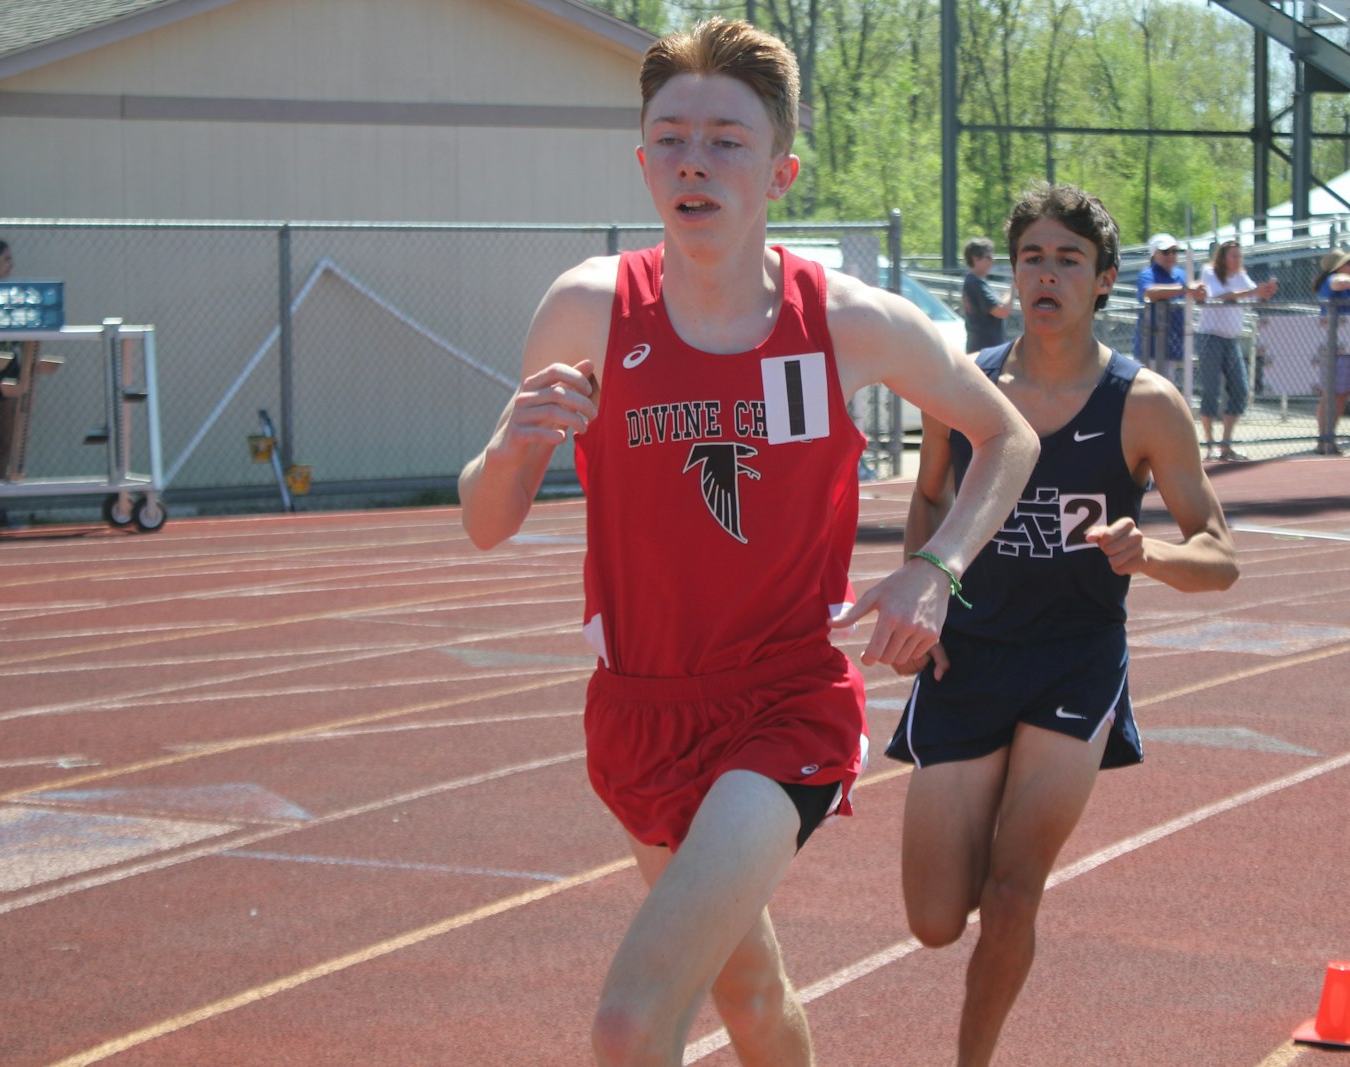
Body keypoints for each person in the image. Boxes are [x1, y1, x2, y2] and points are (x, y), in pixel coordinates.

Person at [457, 19, 1038, 1066]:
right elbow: (485, 522)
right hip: (636, 708)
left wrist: (936, 566)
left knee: (632, 1020)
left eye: (726, 139)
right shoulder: (588, 309)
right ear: (642, 163)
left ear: (781, 170)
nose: (694, 159)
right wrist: (508, 449)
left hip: (784, 705)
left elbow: (1009, 432)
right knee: (755, 993)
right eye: (670, 137)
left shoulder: (845, 320)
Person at [886, 181, 1238, 1066]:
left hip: (1073, 664)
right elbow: (929, 493)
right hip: (965, 658)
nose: (1047, 274)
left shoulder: (1145, 404)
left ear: (1105, 279)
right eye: (1032, 257)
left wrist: (1147, 553)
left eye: (1068, 259)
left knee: (1011, 892)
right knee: (932, 921)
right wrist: (922, 592)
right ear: (1011, 276)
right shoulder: (961, 385)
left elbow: (1219, 554)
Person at [1197, 239, 1277, 461]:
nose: (1237, 260)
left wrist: (1265, 291)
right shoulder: (1209, 271)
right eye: (1233, 256)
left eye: (1239, 256)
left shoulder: (1241, 276)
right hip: (1210, 337)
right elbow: (1219, 295)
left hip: (1231, 339)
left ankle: (1226, 444)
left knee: (1240, 389)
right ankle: (1209, 444)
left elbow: (1254, 293)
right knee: (1211, 391)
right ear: (1223, 257)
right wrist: (1252, 291)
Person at [0, 238, 36, 528]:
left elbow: (24, 329)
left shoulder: (13, 295)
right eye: (5, 260)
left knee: (6, 439)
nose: (10, 266)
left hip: (6, 367)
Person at [1312, 248, 1350, 456]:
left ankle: (1331, 436)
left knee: (1342, 394)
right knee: (1329, 393)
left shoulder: (1347, 286)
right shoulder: (1332, 280)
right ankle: (1323, 439)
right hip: (1331, 345)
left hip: (1346, 346)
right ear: (1338, 266)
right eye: (1348, 263)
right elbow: (1337, 282)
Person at [1134, 232, 1206, 383]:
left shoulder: (1181, 274)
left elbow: (1194, 294)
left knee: (1166, 387)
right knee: (1148, 388)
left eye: (1174, 251)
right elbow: (1150, 293)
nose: (1171, 256)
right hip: (1151, 345)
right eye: (1166, 252)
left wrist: (1199, 293)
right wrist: (1185, 289)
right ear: (1155, 254)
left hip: (1173, 342)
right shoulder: (1147, 274)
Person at [961, 237, 1013, 353]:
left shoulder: (974, 282)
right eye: (988, 257)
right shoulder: (975, 284)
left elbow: (999, 303)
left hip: (981, 349)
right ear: (975, 259)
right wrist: (1014, 287)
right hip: (985, 351)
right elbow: (1002, 310)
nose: (992, 261)